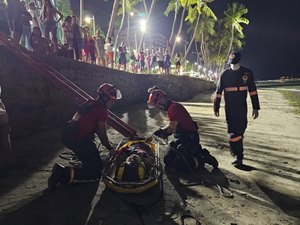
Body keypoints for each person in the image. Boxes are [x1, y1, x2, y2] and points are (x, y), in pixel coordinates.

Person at [48, 83, 122, 190]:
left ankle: (78, 166)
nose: (112, 103)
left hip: (68, 134)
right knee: (96, 173)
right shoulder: (102, 111)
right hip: (79, 139)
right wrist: (110, 148)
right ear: (105, 98)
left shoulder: (90, 102)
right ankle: (62, 173)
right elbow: (102, 133)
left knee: (93, 160)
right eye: (112, 100)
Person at [148, 87, 218, 172]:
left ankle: (201, 158)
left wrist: (161, 132)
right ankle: (195, 151)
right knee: (168, 159)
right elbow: (173, 126)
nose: (157, 108)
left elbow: (171, 128)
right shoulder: (173, 106)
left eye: (157, 105)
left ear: (161, 101)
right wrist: (162, 132)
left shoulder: (173, 108)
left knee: (179, 164)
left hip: (189, 138)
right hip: (182, 136)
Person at [213, 51, 260, 166]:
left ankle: (236, 149)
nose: (233, 65)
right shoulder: (224, 75)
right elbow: (218, 92)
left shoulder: (247, 73)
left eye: (235, 63)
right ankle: (238, 156)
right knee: (233, 133)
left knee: (241, 129)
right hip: (229, 109)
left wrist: (256, 107)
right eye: (231, 63)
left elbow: (253, 91)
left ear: (239, 61)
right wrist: (216, 107)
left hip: (242, 108)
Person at [0, 85, 13, 165]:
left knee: (5, 140)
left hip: (2, 120)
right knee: (5, 140)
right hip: (3, 120)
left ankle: (8, 159)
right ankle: (8, 159)